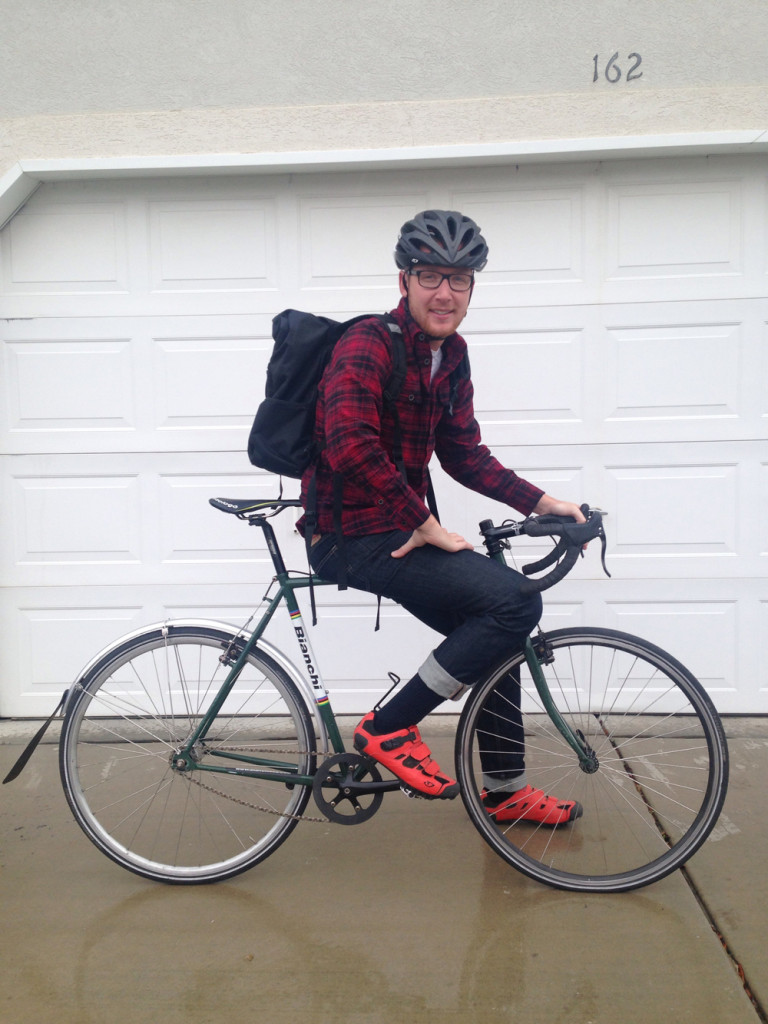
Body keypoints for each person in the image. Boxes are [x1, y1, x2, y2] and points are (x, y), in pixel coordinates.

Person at [298, 209, 584, 826]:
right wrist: (423, 521)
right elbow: (348, 442)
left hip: (395, 530)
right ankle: (389, 728)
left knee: (497, 628)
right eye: (430, 276)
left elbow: (463, 453)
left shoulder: (451, 355)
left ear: (472, 289)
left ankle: (505, 791)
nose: (445, 293)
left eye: (459, 279)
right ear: (404, 281)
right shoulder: (368, 342)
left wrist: (542, 502)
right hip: (345, 535)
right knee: (514, 603)